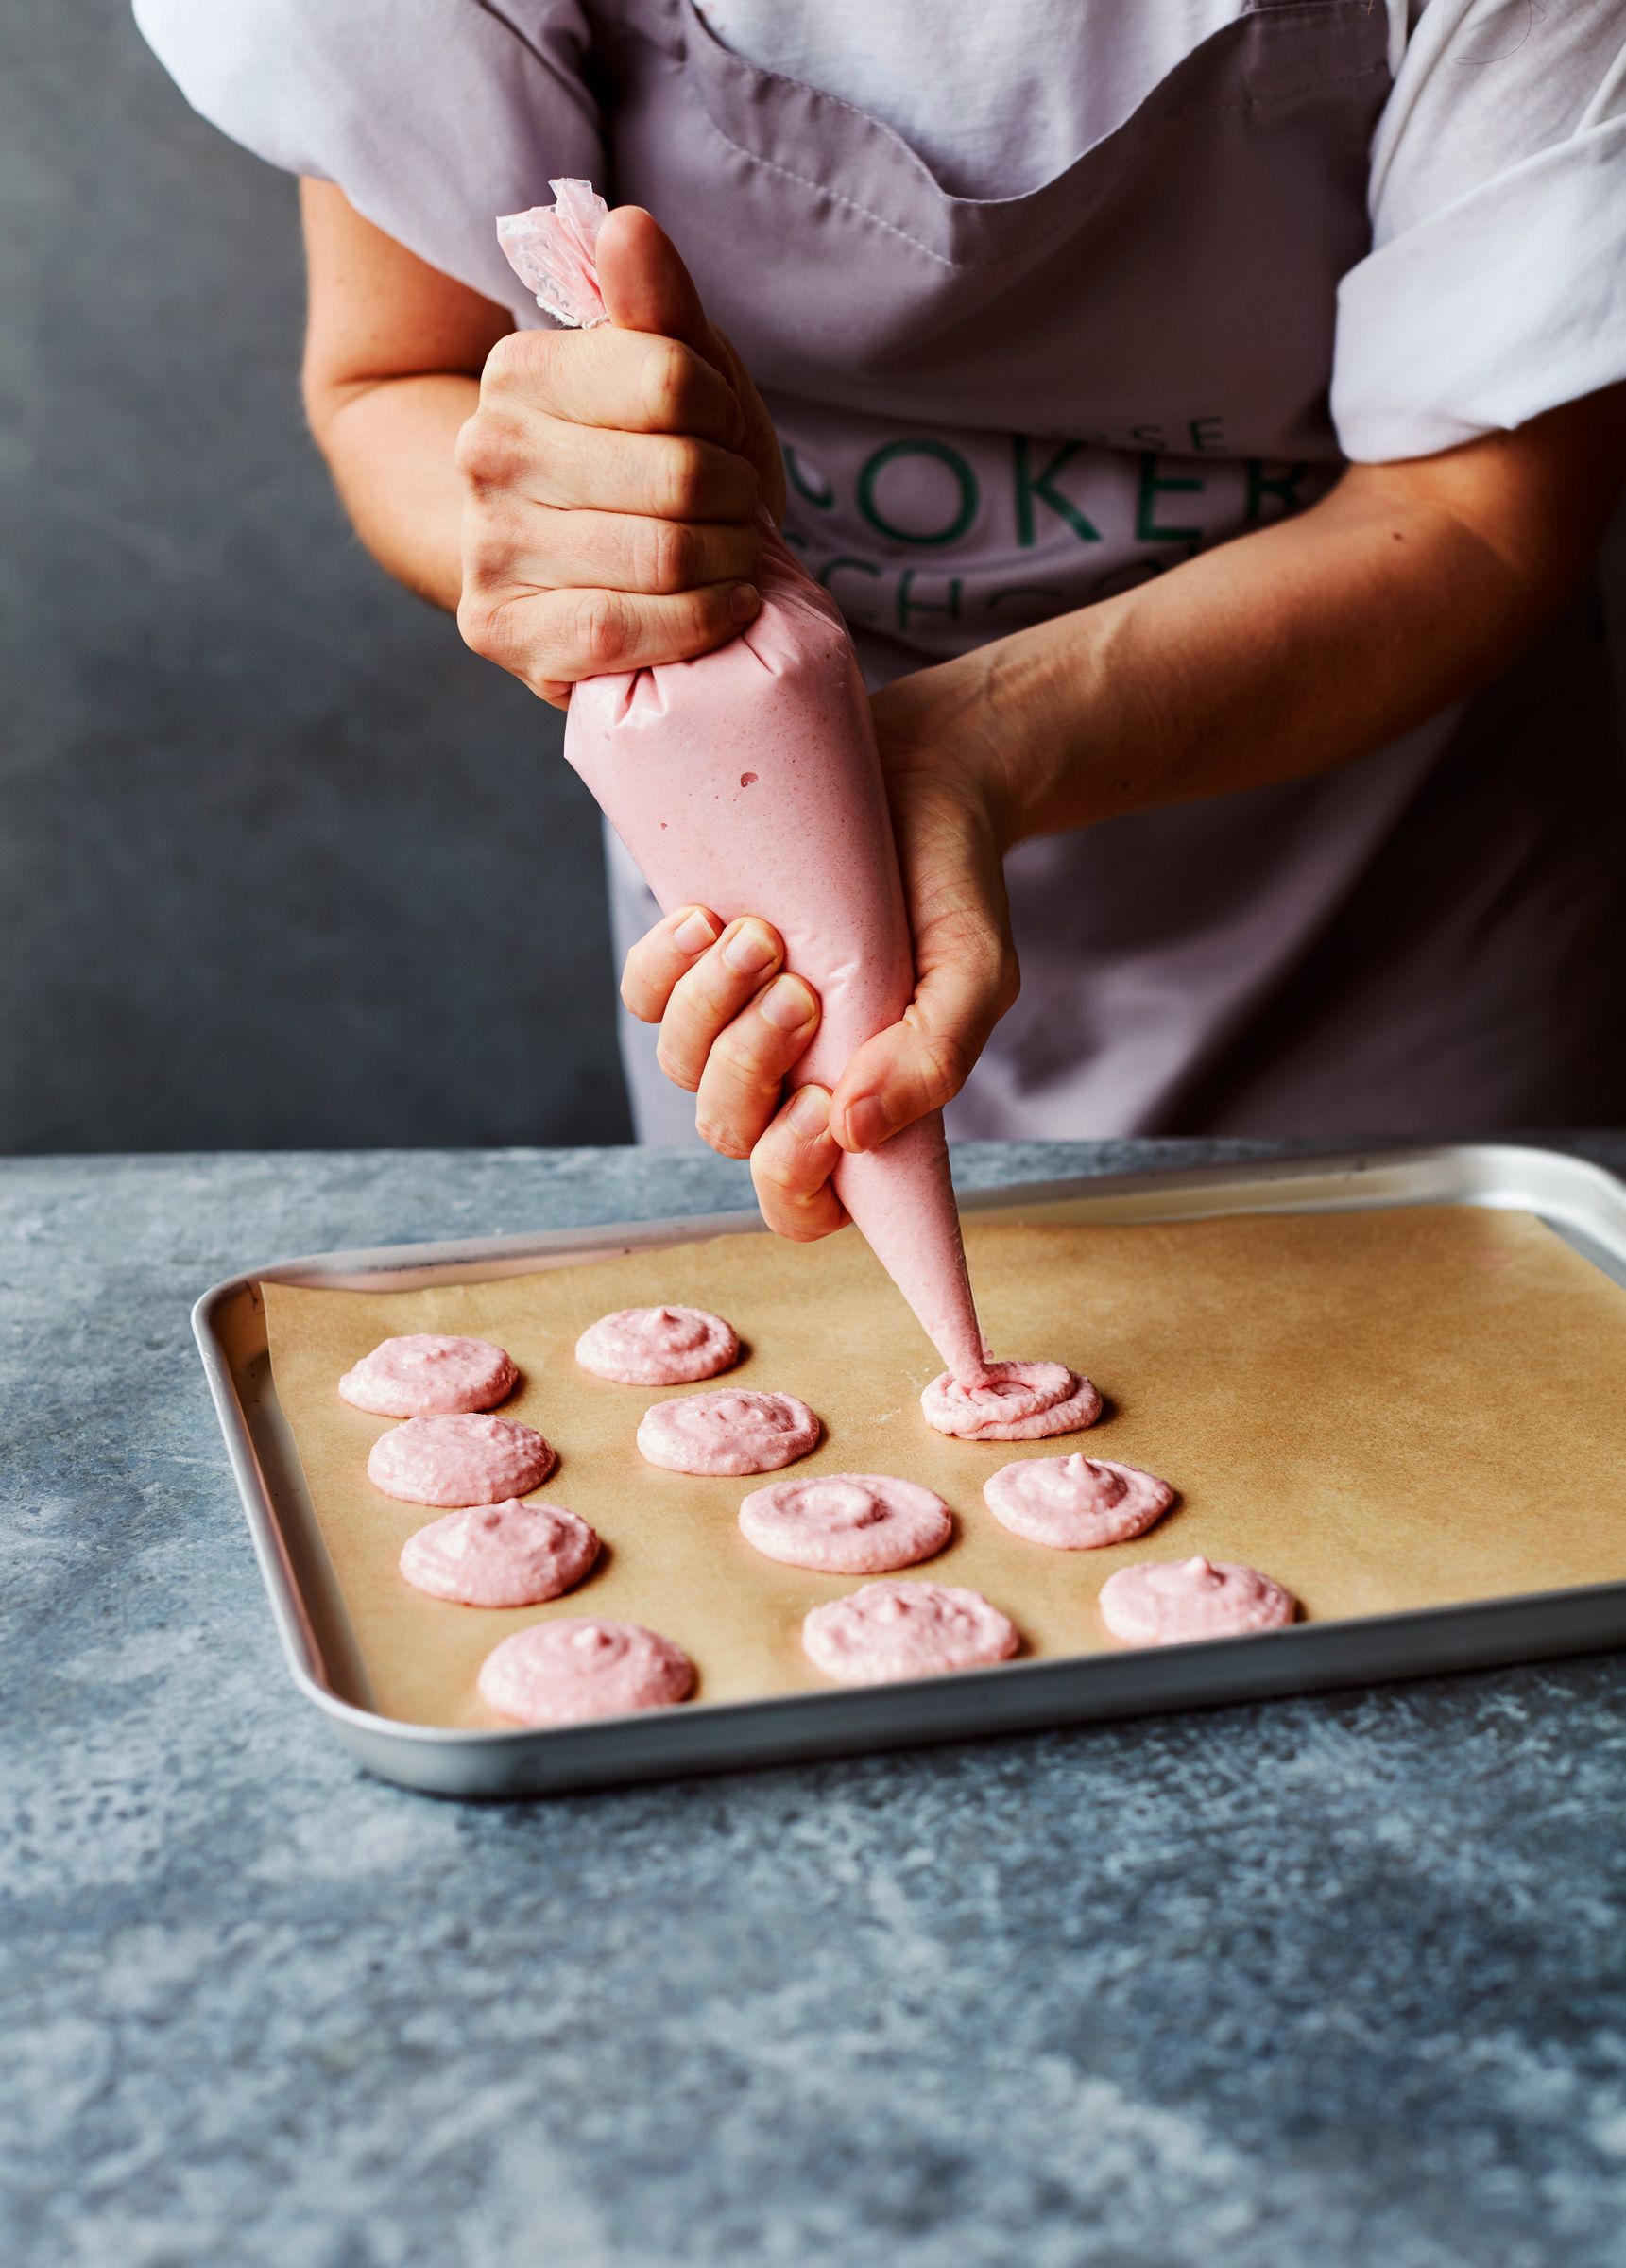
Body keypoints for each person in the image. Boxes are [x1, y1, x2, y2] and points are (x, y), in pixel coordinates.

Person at [138, 0, 1626, 1242]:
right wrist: (573, 548)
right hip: (761, 898)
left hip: (1392, 906)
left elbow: (1470, 515)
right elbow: (401, 374)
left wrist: (966, 750)